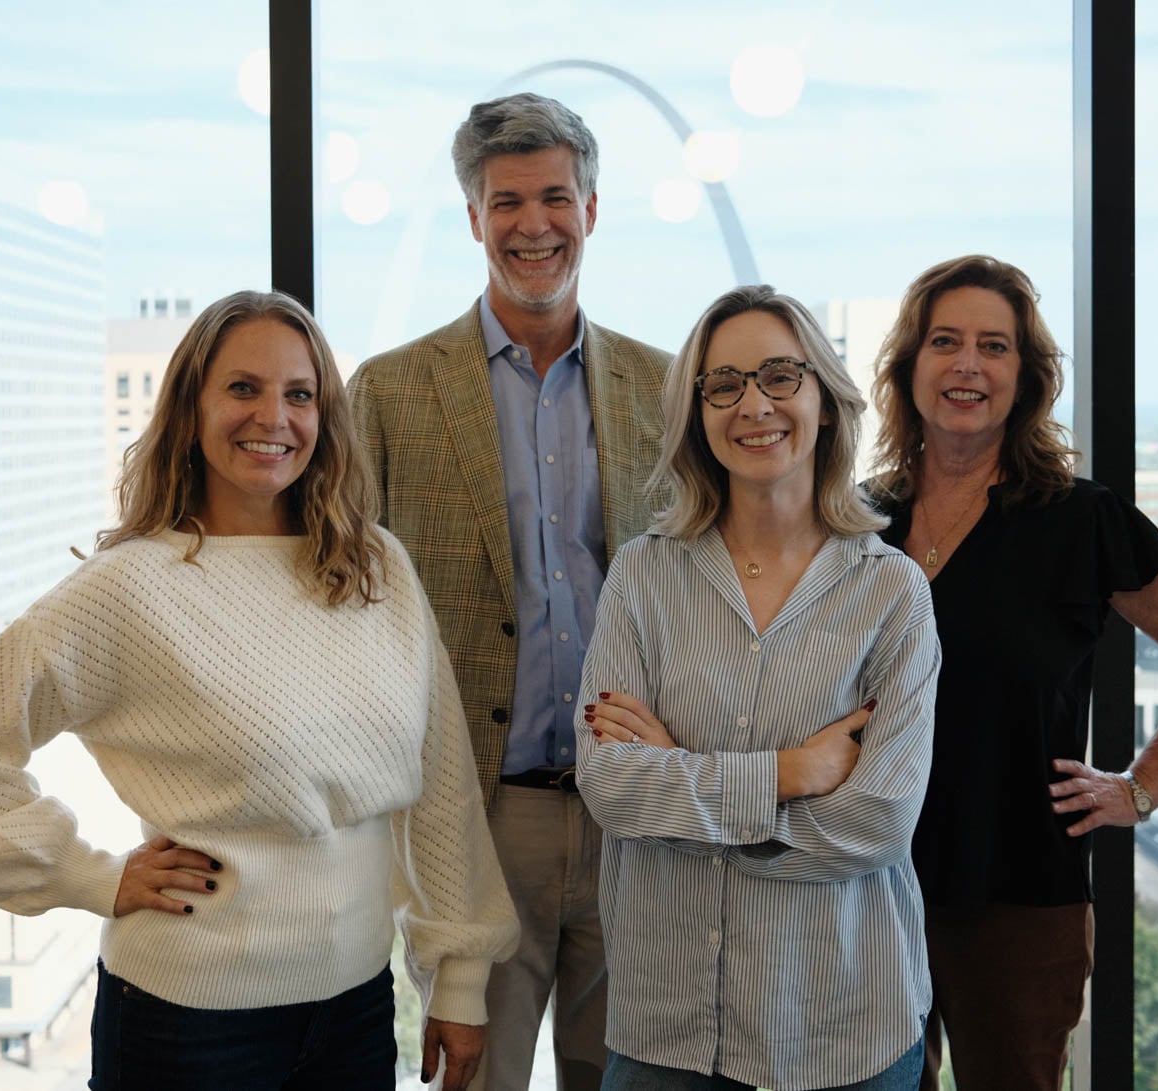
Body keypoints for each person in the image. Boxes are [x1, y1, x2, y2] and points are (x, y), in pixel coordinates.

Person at [0, 290, 519, 1091]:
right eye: (242, 388)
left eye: (300, 394)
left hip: (356, 1010)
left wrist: (460, 979)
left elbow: (440, 789)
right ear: (191, 406)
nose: (274, 415)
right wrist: (93, 875)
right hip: (183, 1021)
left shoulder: (376, 569)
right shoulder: (128, 587)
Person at [867, 255, 1158, 1091]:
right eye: (944, 341)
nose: (967, 364)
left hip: (1019, 895)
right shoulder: (861, 519)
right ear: (909, 368)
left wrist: (1141, 787)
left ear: (1026, 377)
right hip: (864, 883)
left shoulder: (1081, 519)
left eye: (994, 346)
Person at [347, 93, 671, 1090]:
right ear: (475, 217)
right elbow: (345, 601)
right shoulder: (391, 391)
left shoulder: (666, 389)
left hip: (633, 814)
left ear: (593, 207)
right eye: (508, 202)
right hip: (476, 815)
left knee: (623, 1074)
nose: (535, 224)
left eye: (556, 197)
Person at [576, 285, 940, 1091]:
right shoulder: (642, 575)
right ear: (697, 412)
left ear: (824, 397)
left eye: (781, 375)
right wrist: (788, 774)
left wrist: (685, 784)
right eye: (724, 383)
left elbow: (877, 820)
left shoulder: (892, 593)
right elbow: (611, 785)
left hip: (843, 1026)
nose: (754, 404)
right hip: (664, 1034)